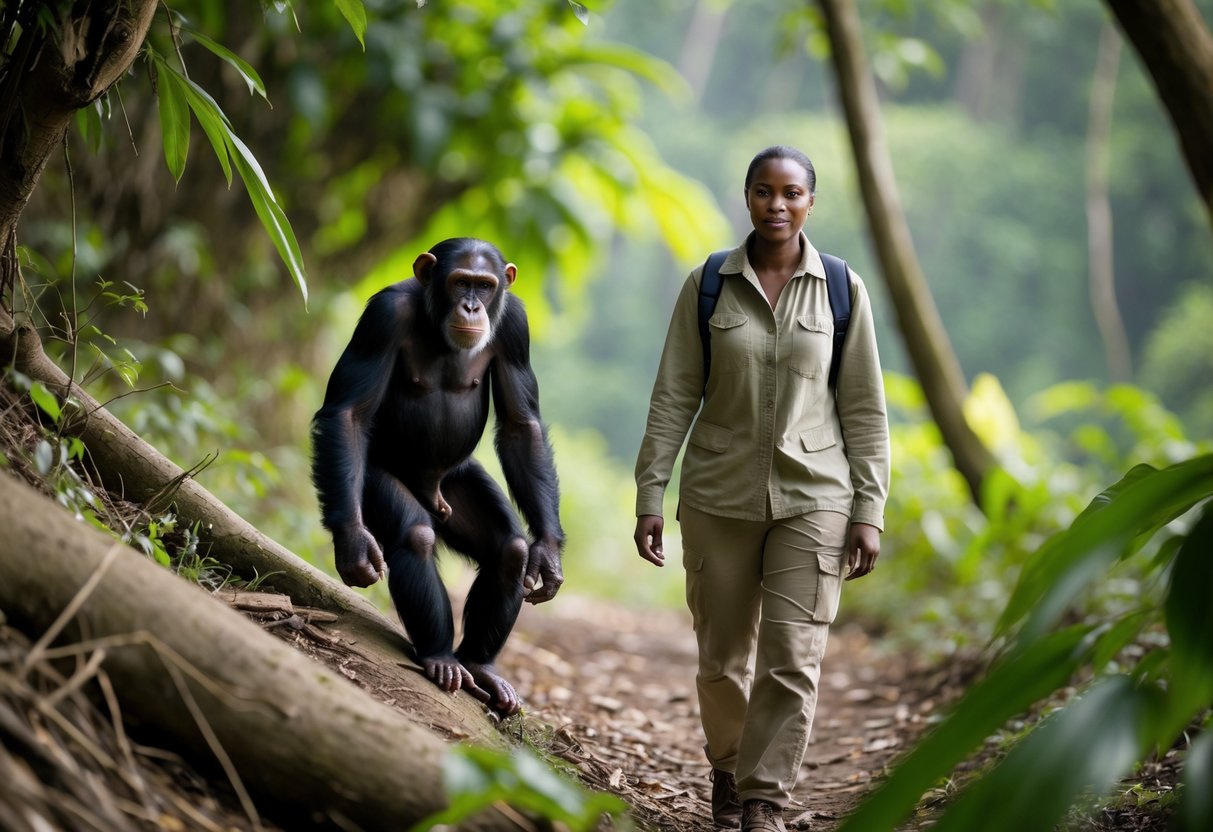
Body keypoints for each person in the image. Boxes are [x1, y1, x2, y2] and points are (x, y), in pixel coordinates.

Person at [633, 145, 890, 832]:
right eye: (763, 191)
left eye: (791, 192)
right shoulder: (707, 284)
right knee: (721, 658)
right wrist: (650, 493)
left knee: (792, 656)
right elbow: (672, 396)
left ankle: (762, 800)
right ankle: (728, 767)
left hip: (817, 497)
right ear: (746, 197)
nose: (777, 204)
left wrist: (869, 509)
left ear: (810, 202)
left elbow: (864, 407)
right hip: (718, 496)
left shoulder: (842, 288)